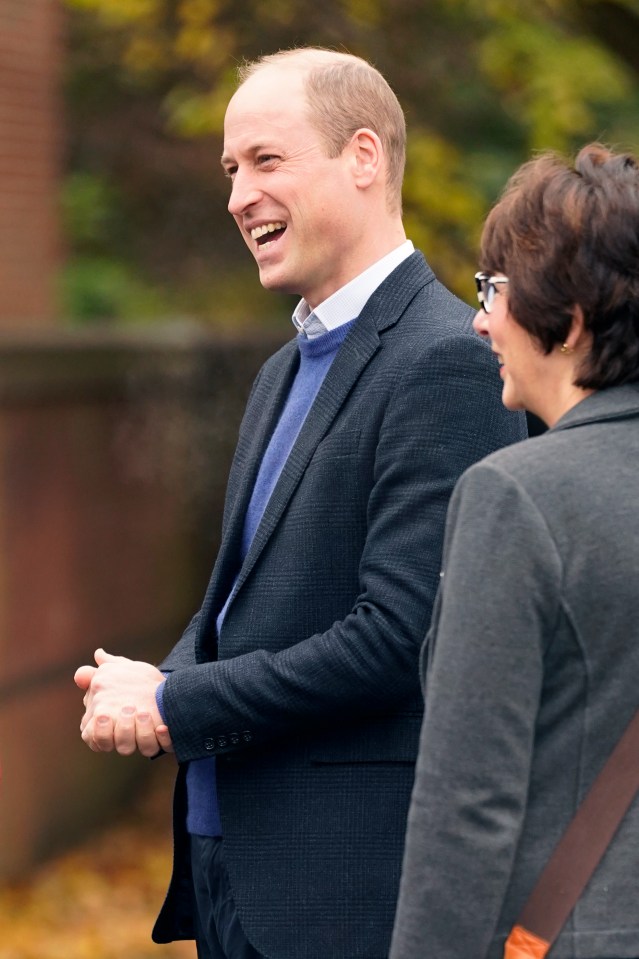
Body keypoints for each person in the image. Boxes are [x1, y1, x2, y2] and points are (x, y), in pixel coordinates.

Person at [74, 47, 525, 959]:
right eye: (231, 170)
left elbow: (401, 636)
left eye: (267, 161)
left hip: (343, 896)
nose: (239, 194)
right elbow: (237, 603)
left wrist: (177, 700)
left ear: (363, 157)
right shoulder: (284, 369)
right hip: (227, 868)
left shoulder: (445, 361)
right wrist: (146, 684)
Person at [390, 142, 639, 959]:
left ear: (566, 324)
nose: (478, 317)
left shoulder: (516, 495)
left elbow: (466, 802)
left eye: (494, 290)